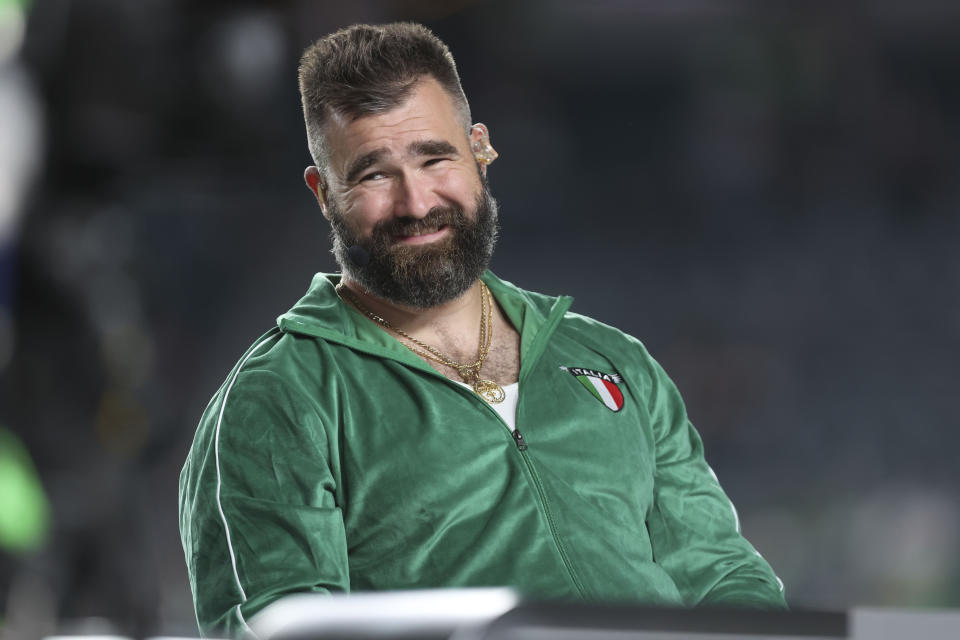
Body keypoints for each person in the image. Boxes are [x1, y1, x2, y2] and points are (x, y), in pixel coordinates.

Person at [178, 22, 786, 637]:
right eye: (372, 175)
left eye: (434, 158)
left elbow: (719, 575)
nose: (416, 203)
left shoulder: (611, 357)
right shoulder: (278, 400)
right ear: (323, 194)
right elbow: (277, 627)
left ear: (480, 151)